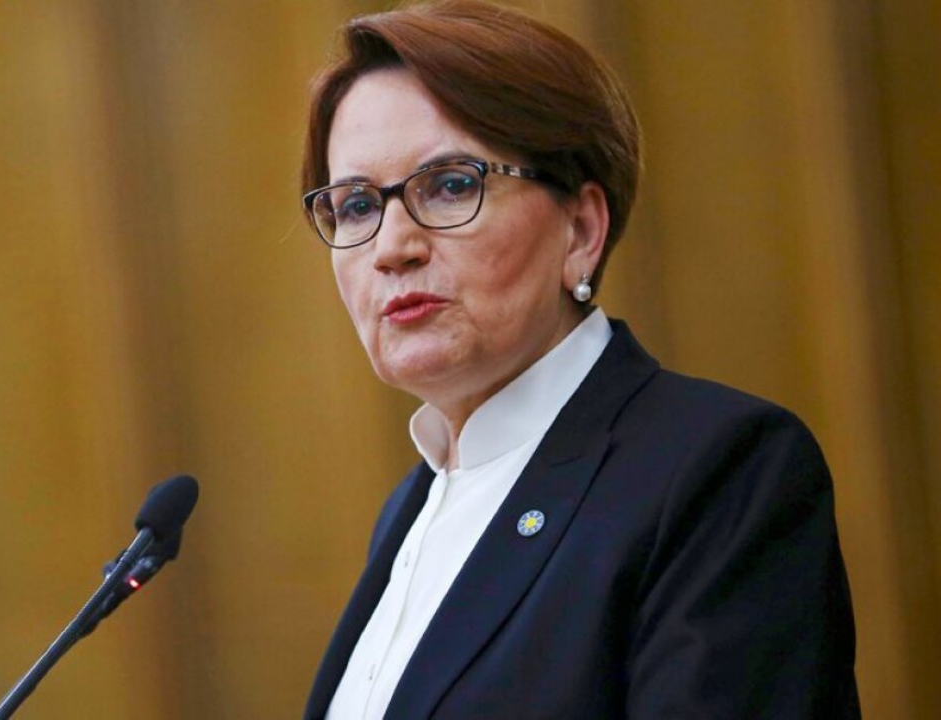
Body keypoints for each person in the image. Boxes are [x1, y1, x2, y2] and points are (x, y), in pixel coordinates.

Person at [298, 1, 859, 718]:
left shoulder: (717, 469)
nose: (390, 247)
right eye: (354, 206)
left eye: (451, 185)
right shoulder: (411, 510)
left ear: (581, 230)